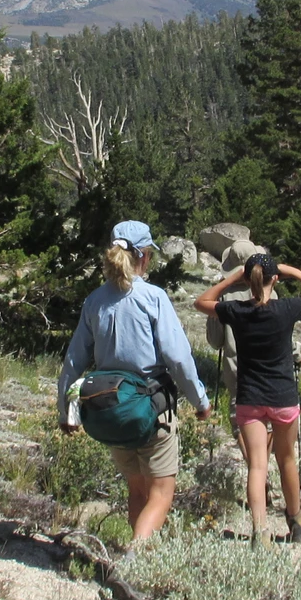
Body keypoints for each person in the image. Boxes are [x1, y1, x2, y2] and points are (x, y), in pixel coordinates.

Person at [58, 221, 211, 542]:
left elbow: (74, 361)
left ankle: (138, 557)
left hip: (110, 407)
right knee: (161, 493)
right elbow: (178, 358)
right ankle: (134, 560)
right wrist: (200, 401)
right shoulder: (152, 297)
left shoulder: (95, 301)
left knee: (137, 489)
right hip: (152, 407)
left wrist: (67, 411)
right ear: (143, 256)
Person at [195, 253, 301, 543]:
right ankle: (297, 520)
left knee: (257, 466)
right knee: (286, 459)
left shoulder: (237, 310)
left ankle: (260, 531)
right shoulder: (287, 308)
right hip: (283, 396)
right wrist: (295, 271)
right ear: (275, 279)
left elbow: (201, 303)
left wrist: (232, 278)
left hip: (250, 397)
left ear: (249, 280)